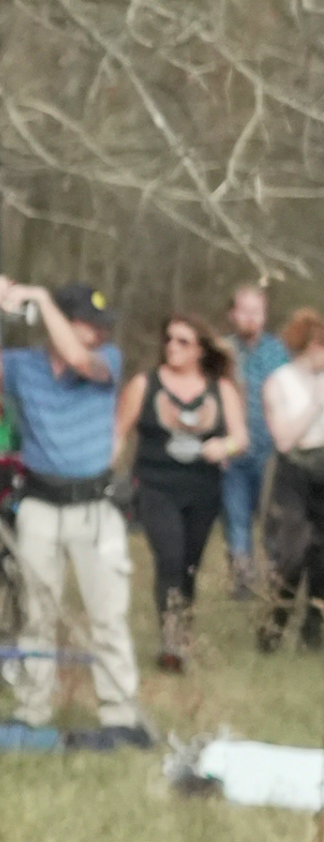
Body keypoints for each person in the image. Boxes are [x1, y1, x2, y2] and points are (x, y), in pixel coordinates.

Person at [0, 274, 145, 739]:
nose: (98, 333)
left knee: (107, 616)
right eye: (88, 324)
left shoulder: (106, 361)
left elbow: (78, 358)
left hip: (94, 506)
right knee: (36, 614)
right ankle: (33, 707)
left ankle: (120, 714)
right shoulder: (24, 366)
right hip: (39, 503)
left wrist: (37, 297)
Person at [116, 315, 246, 672]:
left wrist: (225, 446)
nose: (172, 346)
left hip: (203, 489)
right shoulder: (146, 384)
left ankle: (182, 634)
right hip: (157, 484)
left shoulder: (221, 389)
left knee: (189, 565)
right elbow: (119, 432)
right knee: (170, 558)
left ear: (201, 350)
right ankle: (170, 642)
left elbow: (241, 438)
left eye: (183, 341)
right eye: (169, 339)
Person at [258, 307, 324, 652]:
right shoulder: (278, 382)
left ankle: (313, 634)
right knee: (292, 553)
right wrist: (315, 402)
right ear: (309, 345)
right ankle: (273, 627)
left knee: (322, 556)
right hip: (294, 469)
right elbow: (284, 439)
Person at [224, 281, 285, 593]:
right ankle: (243, 580)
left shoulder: (279, 351)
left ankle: (276, 579)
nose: (250, 317)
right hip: (232, 452)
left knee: (273, 520)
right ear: (233, 314)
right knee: (236, 518)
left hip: (270, 450)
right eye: (244, 311)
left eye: (257, 311)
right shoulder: (221, 350)